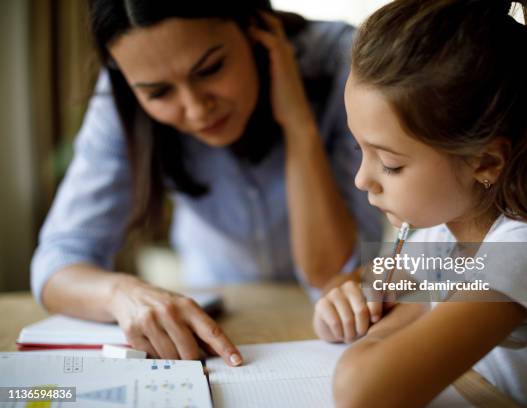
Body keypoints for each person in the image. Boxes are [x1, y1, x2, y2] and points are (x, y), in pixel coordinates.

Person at [31, 0, 381, 365]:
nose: (197, 110)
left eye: (210, 69)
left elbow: (331, 274)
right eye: (159, 93)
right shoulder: (124, 90)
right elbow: (59, 258)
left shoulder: (345, 59)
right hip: (223, 307)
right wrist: (122, 292)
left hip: (331, 312)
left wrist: (298, 123)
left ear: (254, 29)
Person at [312, 0, 527, 406]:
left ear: (485, 162)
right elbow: (380, 282)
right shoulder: (441, 228)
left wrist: (385, 330)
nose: (361, 179)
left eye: (389, 163)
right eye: (358, 147)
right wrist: (344, 303)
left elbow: (363, 393)